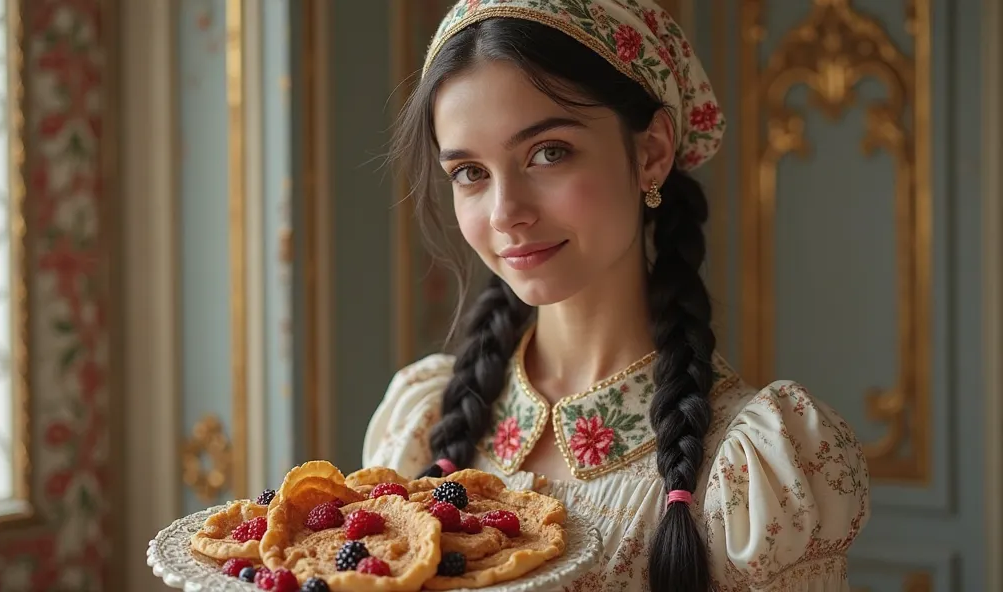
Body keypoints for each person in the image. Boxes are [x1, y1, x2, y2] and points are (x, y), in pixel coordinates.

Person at [362, 1, 871, 590]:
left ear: (652, 152)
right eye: (470, 173)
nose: (506, 215)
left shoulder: (755, 471)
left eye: (548, 152)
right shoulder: (424, 421)